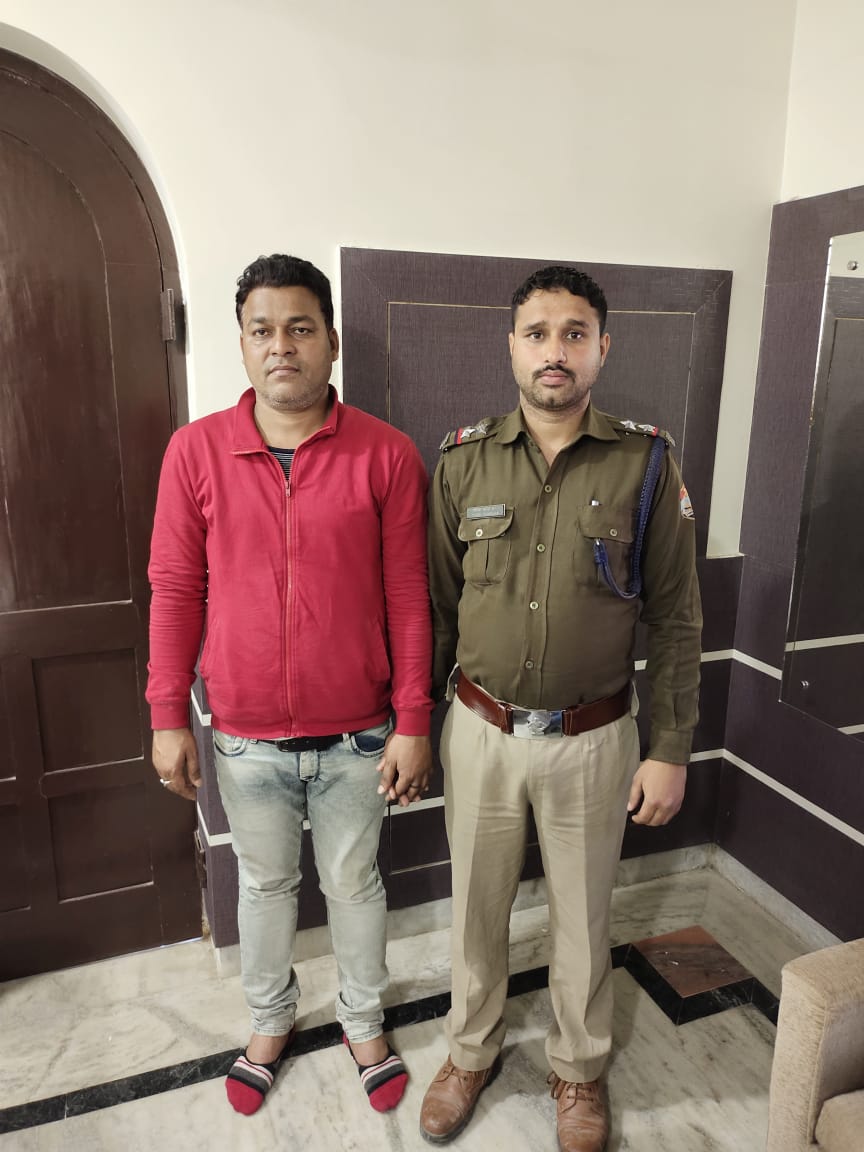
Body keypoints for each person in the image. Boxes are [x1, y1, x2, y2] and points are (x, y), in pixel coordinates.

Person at [419, 266, 702, 1152]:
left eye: (574, 334)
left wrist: (671, 747)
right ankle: (470, 1052)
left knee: (583, 917)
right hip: (481, 731)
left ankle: (579, 1070)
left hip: (594, 737)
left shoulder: (646, 462)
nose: (555, 351)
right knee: (477, 909)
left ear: (602, 348)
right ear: (511, 347)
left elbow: (676, 616)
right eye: (537, 334)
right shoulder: (461, 460)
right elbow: (435, 608)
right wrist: (417, 726)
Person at [146, 253, 433, 1117]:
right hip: (244, 736)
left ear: (331, 342)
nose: (282, 346)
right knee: (265, 887)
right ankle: (270, 1023)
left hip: (360, 737)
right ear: (241, 345)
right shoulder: (195, 451)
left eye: (300, 328)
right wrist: (168, 715)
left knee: (354, 885)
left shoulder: (386, 454)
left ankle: (363, 1021)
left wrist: (413, 720)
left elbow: (409, 595)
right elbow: (176, 588)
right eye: (263, 330)